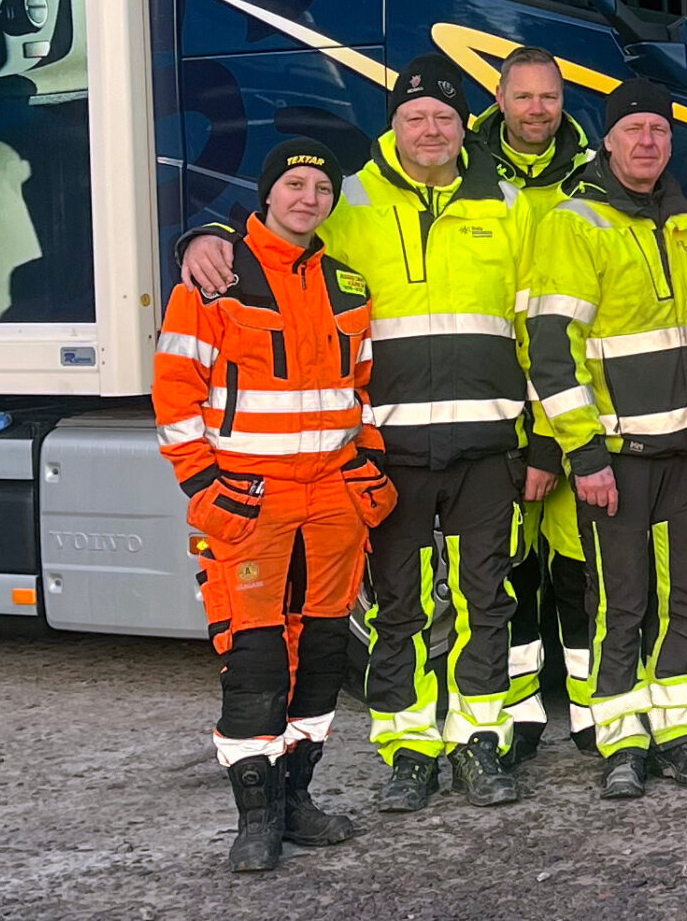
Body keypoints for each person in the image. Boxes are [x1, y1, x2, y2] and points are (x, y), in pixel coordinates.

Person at [179, 54, 538, 810]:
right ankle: (410, 752)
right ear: (395, 125)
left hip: (487, 448)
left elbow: (540, 329)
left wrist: (541, 442)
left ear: (464, 124)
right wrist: (199, 235)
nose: (431, 129)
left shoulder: (511, 205)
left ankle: (479, 744)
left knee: (485, 603)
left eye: (444, 116)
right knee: (399, 609)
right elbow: (276, 232)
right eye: (416, 117)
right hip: (389, 454)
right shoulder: (350, 203)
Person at [155, 138, 392, 871]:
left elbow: (365, 392)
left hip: (331, 499)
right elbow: (175, 393)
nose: (307, 197)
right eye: (293, 184)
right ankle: (254, 818)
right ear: (267, 194)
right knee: (256, 661)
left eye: (320, 187)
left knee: (322, 659)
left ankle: (296, 802)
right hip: (249, 501)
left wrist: (366, 467)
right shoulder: (215, 280)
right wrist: (201, 485)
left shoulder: (348, 285)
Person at [526, 78, 687, 800]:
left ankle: (678, 734)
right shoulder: (576, 222)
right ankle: (621, 742)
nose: (647, 142)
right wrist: (583, 454)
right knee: (620, 605)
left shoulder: (682, 220)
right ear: (608, 140)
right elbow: (552, 351)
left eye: (659, 130)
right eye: (634, 129)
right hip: (616, 459)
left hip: (686, 452)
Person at [470, 47, 597, 765]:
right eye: (523, 97)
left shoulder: (592, 172)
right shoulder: (465, 175)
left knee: (580, 577)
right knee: (507, 578)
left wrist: (552, 441)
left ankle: (586, 711)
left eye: (549, 97)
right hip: (492, 415)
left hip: (573, 414)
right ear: (500, 96)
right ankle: (520, 718)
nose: (537, 110)